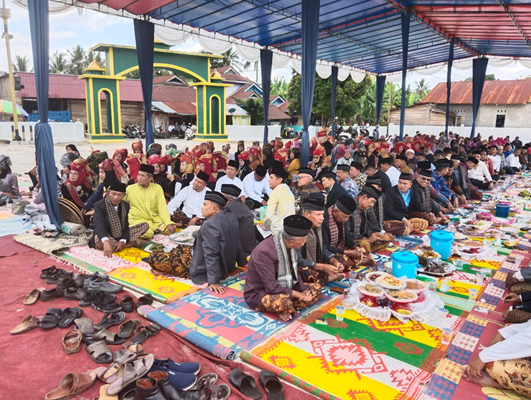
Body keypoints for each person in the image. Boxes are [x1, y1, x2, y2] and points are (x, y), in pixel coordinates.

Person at [244, 215, 322, 322]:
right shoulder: (264, 252)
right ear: (292, 242)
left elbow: (294, 271)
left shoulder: (289, 245)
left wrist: (303, 289)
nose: (304, 243)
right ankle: (287, 307)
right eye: (303, 241)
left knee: (316, 288)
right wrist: (297, 294)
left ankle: (286, 309)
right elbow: (271, 287)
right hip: (261, 293)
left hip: (285, 287)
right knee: (284, 301)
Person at [187, 191, 247, 293]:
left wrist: (214, 281)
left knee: (158, 258)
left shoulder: (210, 224)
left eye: (205, 204)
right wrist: (243, 262)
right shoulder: (231, 217)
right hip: (228, 266)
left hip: (204, 270)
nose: (202, 207)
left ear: (214, 209)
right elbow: (237, 242)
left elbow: (211, 253)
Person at [89, 182, 149, 258]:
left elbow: (126, 226)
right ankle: (127, 245)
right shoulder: (99, 205)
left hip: (120, 234)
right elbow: (98, 225)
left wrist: (122, 241)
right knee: (98, 240)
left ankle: (121, 244)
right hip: (106, 235)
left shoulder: (126, 205)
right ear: (109, 193)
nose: (116, 197)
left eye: (119, 195)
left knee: (145, 225)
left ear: (124, 195)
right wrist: (106, 242)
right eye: (113, 194)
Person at [297, 194, 345, 285]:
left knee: (339, 258)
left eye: (322, 214)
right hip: (304, 266)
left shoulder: (317, 226)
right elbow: (297, 260)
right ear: (307, 214)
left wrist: (333, 261)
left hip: (316, 263)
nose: (322, 218)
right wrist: (321, 267)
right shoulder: (298, 229)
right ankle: (329, 277)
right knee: (305, 273)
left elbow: (322, 249)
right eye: (318, 215)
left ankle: (328, 275)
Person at [124, 164, 176, 239]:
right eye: (138, 175)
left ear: (150, 178)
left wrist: (168, 222)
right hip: (137, 221)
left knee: (171, 228)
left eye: (142, 176)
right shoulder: (130, 189)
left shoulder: (157, 188)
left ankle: (154, 229)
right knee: (148, 233)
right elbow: (120, 204)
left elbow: (162, 208)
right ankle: (133, 230)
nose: (139, 178)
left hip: (154, 220)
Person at [221, 184, 257, 257]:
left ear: (229, 200)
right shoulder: (241, 204)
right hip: (251, 247)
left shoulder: (228, 208)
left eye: (222, 197)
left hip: (241, 252)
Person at [263, 167, 295, 234]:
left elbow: (269, 216)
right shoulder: (289, 191)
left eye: (271, 178)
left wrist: (265, 227)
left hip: (277, 230)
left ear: (279, 180)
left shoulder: (275, 193)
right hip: (289, 228)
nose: (269, 180)